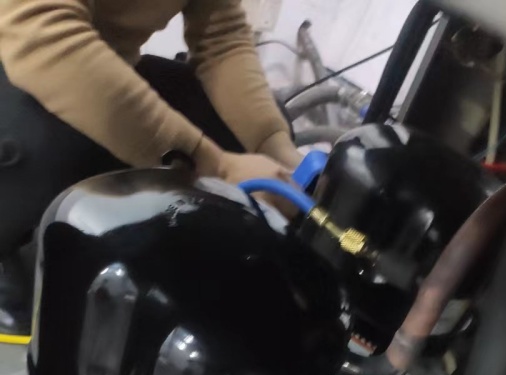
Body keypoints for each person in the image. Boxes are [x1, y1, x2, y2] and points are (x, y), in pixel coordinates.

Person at [0, 0, 302, 335]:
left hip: (97, 61)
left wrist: (276, 148)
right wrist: (217, 166)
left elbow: (222, 41)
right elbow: (41, 38)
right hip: (21, 57)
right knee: (37, 140)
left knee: (242, 130)